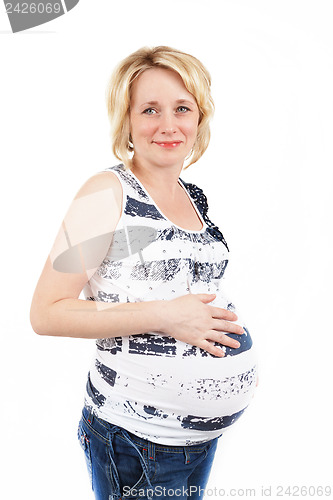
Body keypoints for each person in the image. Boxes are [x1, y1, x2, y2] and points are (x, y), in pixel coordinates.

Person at [30, 46, 258, 500]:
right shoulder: (107, 192)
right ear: (127, 120)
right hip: (137, 441)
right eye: (150, 109)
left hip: (193, 442)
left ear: (200, 118)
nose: (168, 124)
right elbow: (47, 312)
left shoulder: (193, 197)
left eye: (182, 108)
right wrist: (164, 316)